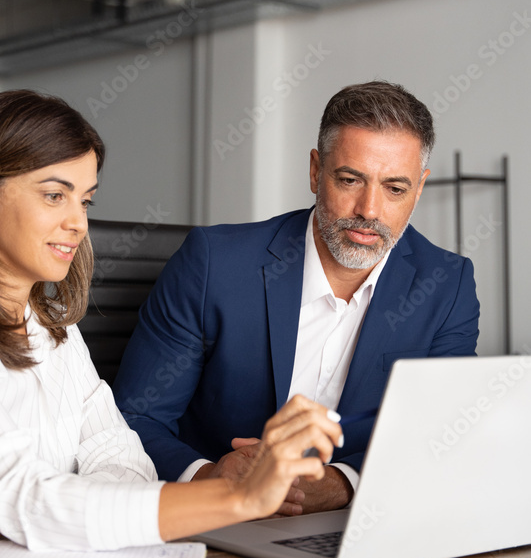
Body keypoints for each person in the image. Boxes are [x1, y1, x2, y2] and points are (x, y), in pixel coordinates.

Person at [0, 90, 342, 552]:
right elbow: (24, 498)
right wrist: (237, 497)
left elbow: (128, 464)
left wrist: (15, 512)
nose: (79, 223)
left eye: (85, 200)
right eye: (55, 195)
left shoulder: (55, 329)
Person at [112, 81, 480, 515]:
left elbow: (441, 436)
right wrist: (212, 478)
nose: (370, 210)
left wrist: (345, 483)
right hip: (213, 523)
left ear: (419, 189)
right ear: (314, 171)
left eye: (395, 189)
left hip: (353, 524)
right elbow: (134, 420)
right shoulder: (213, 264)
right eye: (350, 180)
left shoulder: (446, 284)